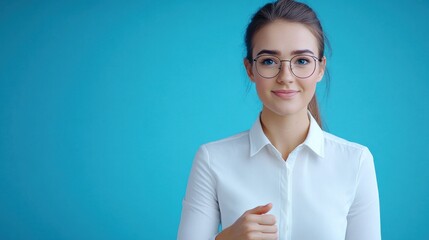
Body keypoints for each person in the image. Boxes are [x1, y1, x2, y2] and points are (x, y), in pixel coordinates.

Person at [177, 0, 381, 239]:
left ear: (321, 68)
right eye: (269, 61)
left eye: (302, 61)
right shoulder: (212, 160)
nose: (286, 77)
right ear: (250, 69)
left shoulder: (355, 162)